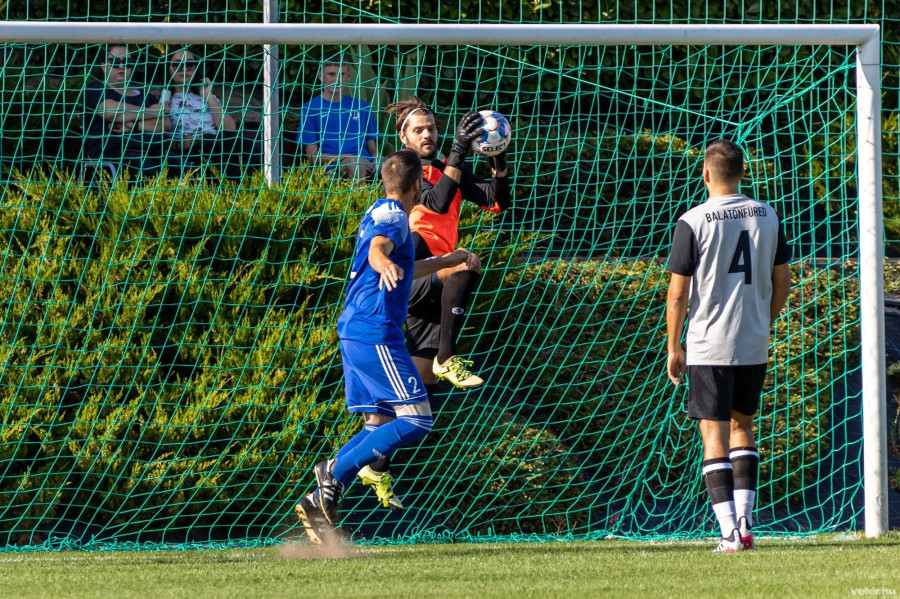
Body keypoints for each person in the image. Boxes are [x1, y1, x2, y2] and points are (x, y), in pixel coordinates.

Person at [294, 149, 476, 545]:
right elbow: (379, 249)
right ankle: (333, 473)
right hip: (375, 331)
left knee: (377, 423)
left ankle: (316, 499)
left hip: (356, 329)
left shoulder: (379, 209)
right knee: (417, 420)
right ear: (419, 184)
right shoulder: (395, 216)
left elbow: (406, 268)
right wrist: (383, 262)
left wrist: (448, 259)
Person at [347, 98, 511, 513]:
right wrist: (457, 151)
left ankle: (375, 466)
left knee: (418, 392)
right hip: (415, 274)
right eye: (418, 129)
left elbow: (496, 201)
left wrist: (498, 159)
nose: (427, 134)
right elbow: (436, 203)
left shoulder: (446, 168)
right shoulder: (408, 176)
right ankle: (447, 357)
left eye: (432, 128)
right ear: (403, 137)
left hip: (433, 284)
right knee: (464, 267)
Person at [665, 139, 791, 552]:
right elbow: (783, 282)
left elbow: (677, 294)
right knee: (743, 427)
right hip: (752, 342)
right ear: (743, 173)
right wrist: (763, 322)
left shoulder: (693, 220)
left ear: (705, 174)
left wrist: (674, 347)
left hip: (709, 344)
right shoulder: (768, 215)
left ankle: (728, 533)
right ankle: (746, 525)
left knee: (713, 433)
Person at [165, 48, 259, 179]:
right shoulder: (165, 98)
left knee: (240, 145)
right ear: (168, 68)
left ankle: (263, 181)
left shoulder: (205, 96)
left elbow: (229, 128)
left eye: (190, 64)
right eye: (177, 64)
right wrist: (180, 143)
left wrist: (208, 95)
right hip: (190, 147)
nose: (184, 69)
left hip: (215, 143)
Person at [82, 44, 169, 176]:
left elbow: (165, 125)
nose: (121, 66)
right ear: (103, 65)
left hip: (152, 150)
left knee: (186, 169)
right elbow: (110, 112)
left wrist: (134, 125)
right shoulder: (95, 89)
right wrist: (152, 112)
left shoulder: (146, 96)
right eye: (115, 62)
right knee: (148, 169)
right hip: (112, 155)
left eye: (127, 62)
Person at [296, 52, 380, 179]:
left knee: (396, 164)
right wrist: (346, 157)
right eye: (331, 74)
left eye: (341, 74)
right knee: (355, 163)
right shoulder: (311, 108)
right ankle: (360, 193)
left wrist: (377, 160)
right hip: (335, 166)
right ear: (320, 76)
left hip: (366, 162)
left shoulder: (362, 107)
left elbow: (373, 150)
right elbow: (312, 156)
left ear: (348, 76)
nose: (336, 79)